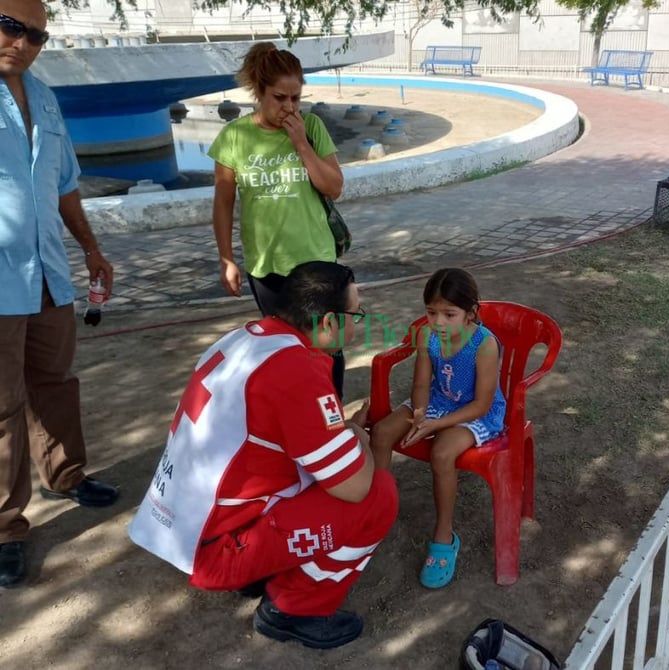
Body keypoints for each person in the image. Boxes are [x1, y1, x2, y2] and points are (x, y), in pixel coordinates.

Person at [128, 261, 398, 650]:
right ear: (326, 322)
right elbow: (355, 487)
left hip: (182, 528)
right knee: (378, 496)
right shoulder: (296, 371)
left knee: (319, 475)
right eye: (356, 313)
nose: (359, 322)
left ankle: (261, 568)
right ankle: (292, 609)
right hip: (214, 549)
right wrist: (359, 435)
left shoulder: (249, 338)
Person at [0, 0, 119, 590]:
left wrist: (92, 250)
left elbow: (66, 184)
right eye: (10, 27)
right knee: (1, 404)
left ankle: (66, 476)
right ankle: (4, 528)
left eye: (37, 36)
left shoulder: (43, 96)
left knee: (54, 381)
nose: (23, 43)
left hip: (48, 272)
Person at [209, 41, 347, 398]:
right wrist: (227, 258)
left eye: (295, 98)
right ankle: (298, 418)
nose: (288, 107)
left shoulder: (311, 127)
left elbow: (334, 187)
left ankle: (331, 424)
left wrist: (301, 143)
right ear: (259, 92)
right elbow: (223, 203)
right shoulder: (234, 136)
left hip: (316, 260)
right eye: (279, 98)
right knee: (284, 349)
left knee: (327, 348)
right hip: (266, 264)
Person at [370, 268, 506, 589]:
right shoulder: (427, 336)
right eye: (431, 312)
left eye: (449, 314)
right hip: (438, 400)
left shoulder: (484, 345)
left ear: (471, 313)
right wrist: (419, 413)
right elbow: (420, 383)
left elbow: (482, 404)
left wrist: (435, 424)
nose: (439, 322)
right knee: (381, 432)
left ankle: (444, 536)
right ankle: (375, 513)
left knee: (442, 453)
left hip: (475, 412)